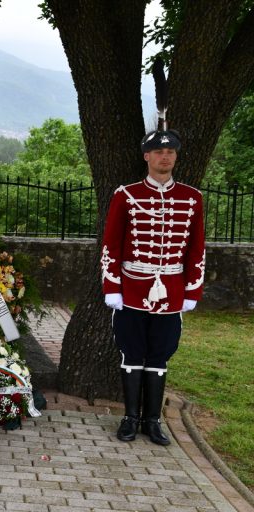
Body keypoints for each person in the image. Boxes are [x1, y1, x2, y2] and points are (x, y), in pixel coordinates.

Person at [100, 129, 205, 445]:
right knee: (132, 353)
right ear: (147, 156)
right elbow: (111, 245)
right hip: (132, 288)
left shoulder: (192, 198)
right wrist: (112, 286)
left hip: (171, 291)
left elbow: (196, 249)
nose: (165, 156)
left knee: (160, 356)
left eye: (171, 151)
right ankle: (130, 418)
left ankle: (152, 420)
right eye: (159, 152)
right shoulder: (126, 195)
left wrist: (191, 291)